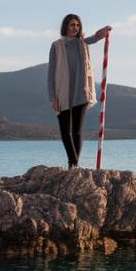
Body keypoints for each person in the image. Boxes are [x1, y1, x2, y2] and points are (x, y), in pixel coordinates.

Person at [47, 14, 112, 168]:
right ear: (65, 26)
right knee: (65, 130)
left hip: (81, 91)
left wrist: (101, 34)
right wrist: (52, 97)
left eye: (77, 25)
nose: (75, 28)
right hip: (62, 92)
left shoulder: (82, 42)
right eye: (71, 25)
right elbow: (50, 74)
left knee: (77, 130)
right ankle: (73, 162)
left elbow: (93, 38)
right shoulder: (56, 46)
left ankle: (73, 165)